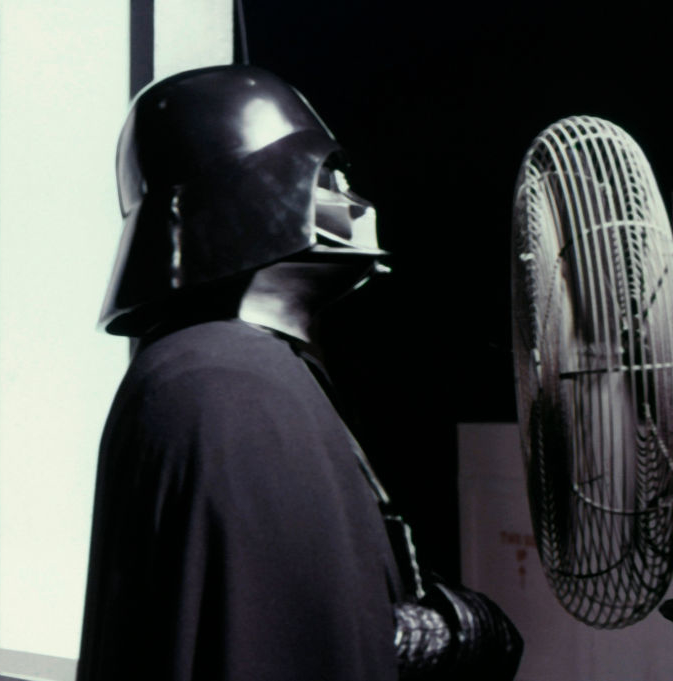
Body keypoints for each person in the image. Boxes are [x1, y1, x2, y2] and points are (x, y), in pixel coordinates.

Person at [77, 64, 521, 681]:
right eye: (328, 176)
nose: (356, 202)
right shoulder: (229, 383)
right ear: (249, 193)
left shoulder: (225, 369)